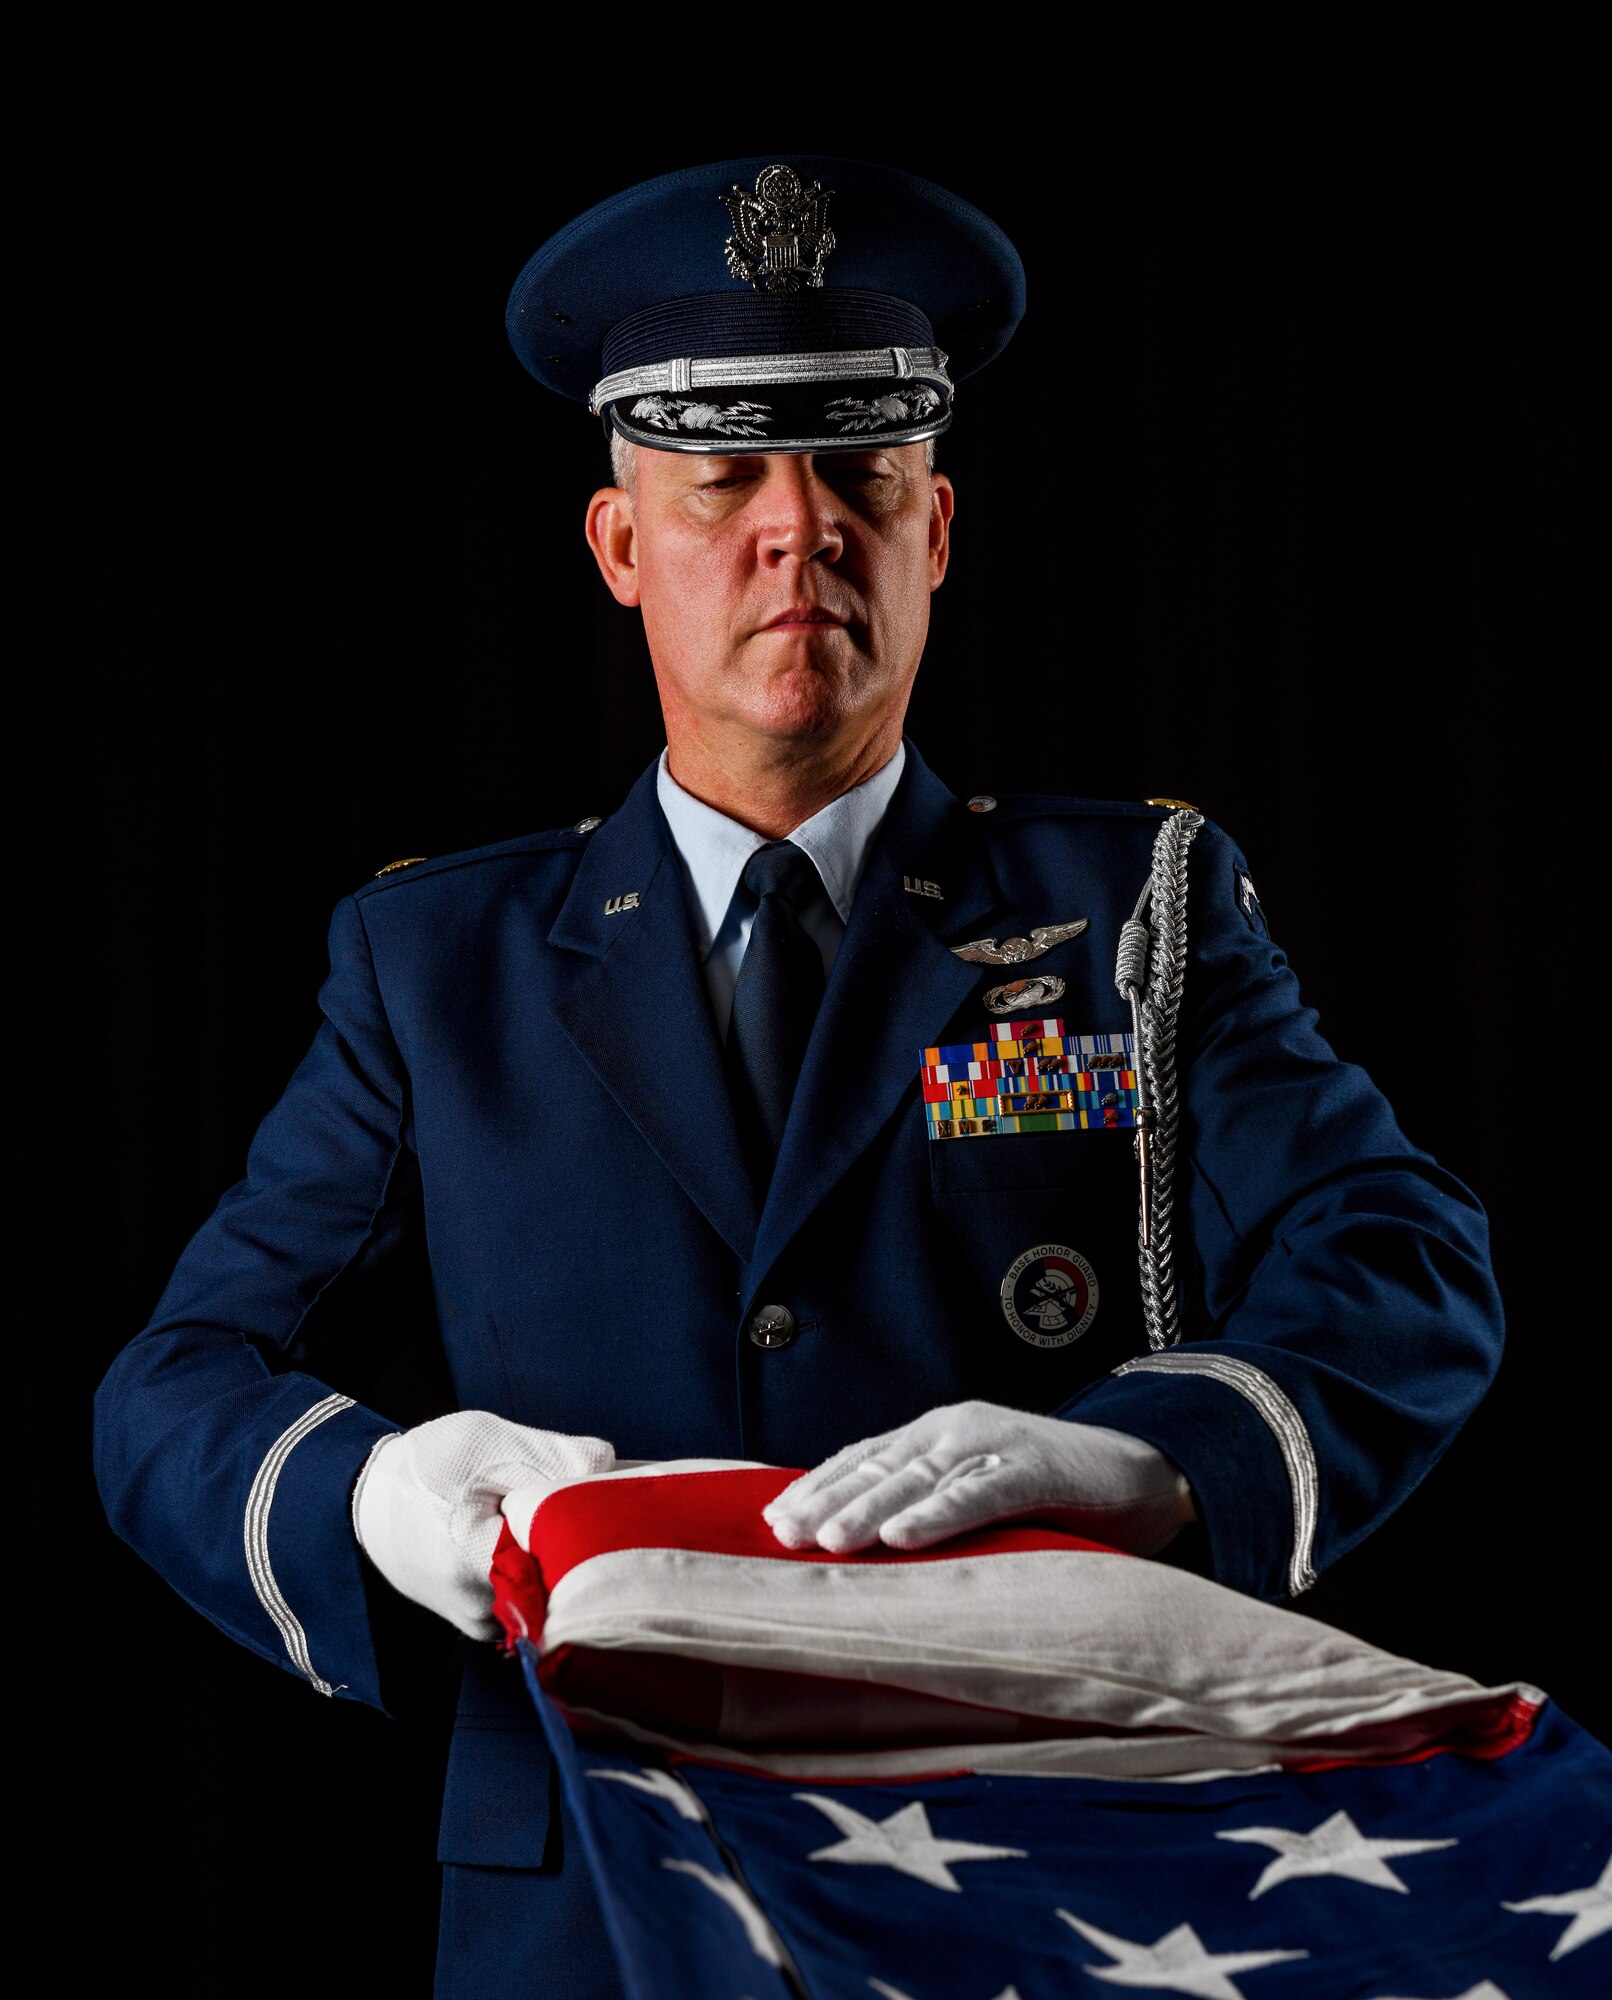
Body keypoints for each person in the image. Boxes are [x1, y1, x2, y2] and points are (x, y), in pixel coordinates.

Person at [94, 156, 1503, 1997]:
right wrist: (379, 1490)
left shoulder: (1130, 912)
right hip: (590, 1896)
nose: (797, 532)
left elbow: (1405, 1261)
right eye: (724, 480)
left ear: (937, 533)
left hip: (1033, 1868)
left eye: (858, 476)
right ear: (620, 547)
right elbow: (173, 1381)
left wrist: (1136, 1458)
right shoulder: (437, 970)